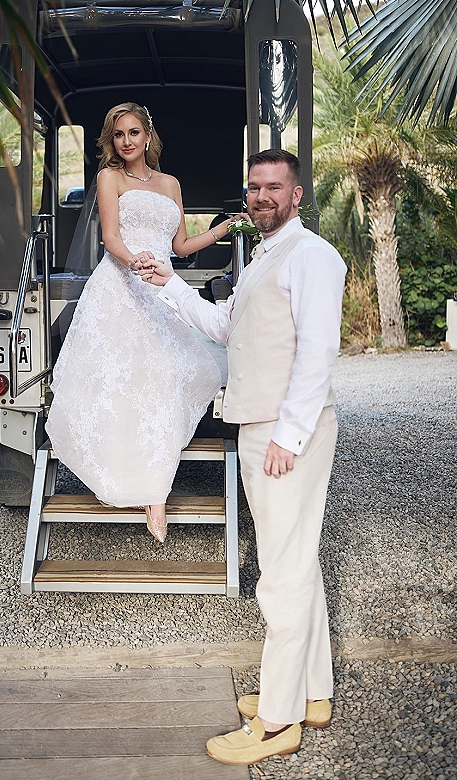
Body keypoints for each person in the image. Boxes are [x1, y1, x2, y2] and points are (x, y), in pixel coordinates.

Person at [140, 148, 347, 763]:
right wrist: (169, 284)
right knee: (297, 564)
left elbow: (317, 354)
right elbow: (226, 326)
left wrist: (288, 435)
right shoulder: (263, 256)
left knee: (280, 579)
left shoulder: (312, 257)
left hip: (285, 433)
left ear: (297, 196)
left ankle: (280, 723)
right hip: (260, 425)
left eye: (273, 188)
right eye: (254, 187)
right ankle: (312, 693)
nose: (260, 196)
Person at [45, 102, 246, 543]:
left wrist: (226, 227)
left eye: (134, 132)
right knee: (127, 381)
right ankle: (151, 491)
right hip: (120, 284)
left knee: (186, 370)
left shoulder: (171, 183)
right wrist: (132, 259)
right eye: (119, 135)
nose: (127, 141)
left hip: (161, 285)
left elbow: (182, 245)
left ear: (149, 135)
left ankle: (152, 480)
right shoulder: (109, 178)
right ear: (112, 140)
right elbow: (111, 237)